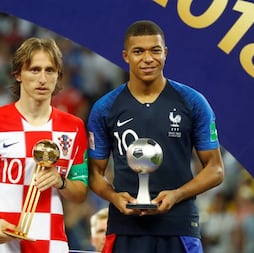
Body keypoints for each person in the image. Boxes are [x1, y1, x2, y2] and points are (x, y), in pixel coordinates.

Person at [87, 20, 224, 253]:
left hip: (180, 227)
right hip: (124, 229)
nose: (148, 58)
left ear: (166, 53)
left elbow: (216, 170)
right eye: (138, 51)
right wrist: (114, 197)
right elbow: (94, 174)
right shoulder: (105, 108)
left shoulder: (192, 102)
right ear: (125, 56)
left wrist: (177, 194)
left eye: (155, 50)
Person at [0, 37, 89, 253]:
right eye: (34, 70)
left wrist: (60, 181)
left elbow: (80, 193)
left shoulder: (73, 127)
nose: (42, 79)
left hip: (52, 245)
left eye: (50, 71)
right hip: (2, 244)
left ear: (58, 77)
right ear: (18, 74)